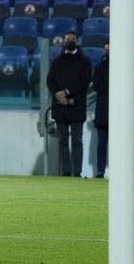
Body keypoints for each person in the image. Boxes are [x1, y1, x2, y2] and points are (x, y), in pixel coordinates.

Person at [46, 31, 93, 177]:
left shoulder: (85, 62)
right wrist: (58, 94)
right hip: (60, 107)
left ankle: (77, 171)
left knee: (77, 140)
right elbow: (50, 80)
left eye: (72, 39)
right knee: (63, 141)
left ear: (77, 42)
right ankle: (66, 171)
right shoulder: (57, 61)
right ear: (63, 41)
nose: (70, 41)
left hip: (77, 106)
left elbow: (84, 82)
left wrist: (65, 92)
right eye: (67, 39)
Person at [92, 41, 109, 178]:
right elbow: (97, 86)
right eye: (105, 50)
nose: (107, 53)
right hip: (103, 110)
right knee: (102, 143)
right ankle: (100, 170)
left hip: (111, 111)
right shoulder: (99, 68)